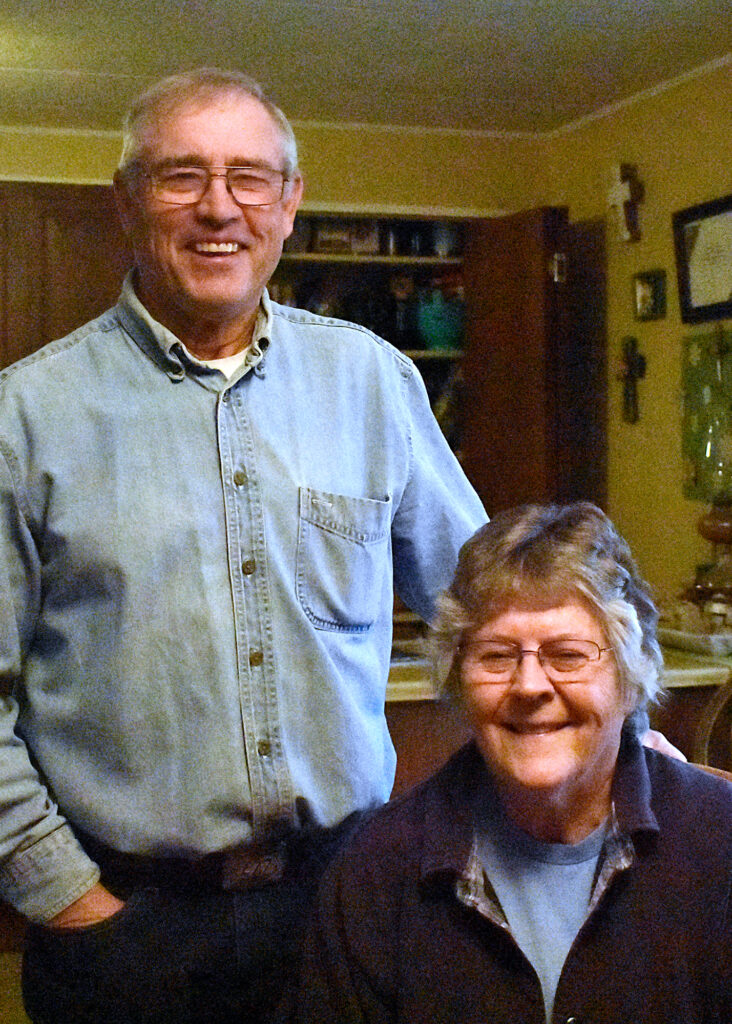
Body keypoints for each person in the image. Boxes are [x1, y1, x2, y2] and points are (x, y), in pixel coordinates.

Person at [0, 68, 488, 1023]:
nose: (218, 207)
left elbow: (488, 607)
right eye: (182, 176)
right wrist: (70, 899)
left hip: (348, 903)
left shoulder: (372, 382)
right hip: (124, 928)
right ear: (129, 201)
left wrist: (642, 754)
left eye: (250, 177)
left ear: (290, 202)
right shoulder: (24, 417)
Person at [290, 502, 732, 1024]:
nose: (529, 686)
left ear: (630, 678)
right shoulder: (375, 876)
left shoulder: (720, 844)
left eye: (567, 654)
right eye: (496, 656)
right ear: (457, 678)